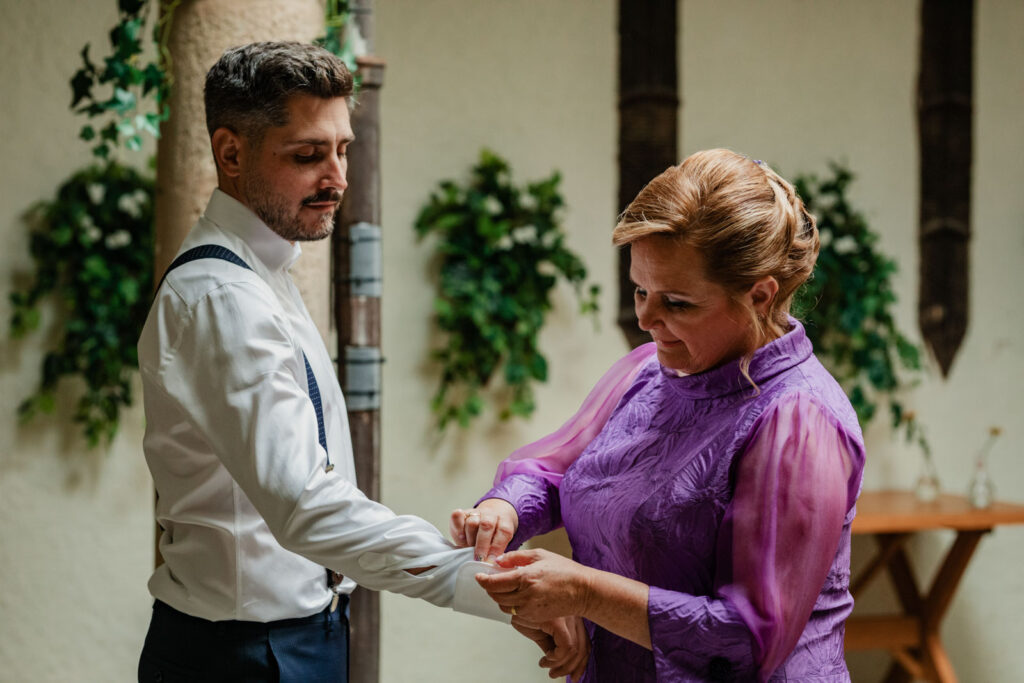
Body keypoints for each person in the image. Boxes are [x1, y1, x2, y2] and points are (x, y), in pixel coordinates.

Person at [137, 41, 582, 682]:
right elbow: (307, 506)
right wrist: (495, 583)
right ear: (231, 153)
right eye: (308, 155)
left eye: (343, 149)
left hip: (288, 639)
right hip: (245, 656)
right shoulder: (224, 297)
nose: (338, 178)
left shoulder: (262, 271)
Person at [453, 148, 866, 682]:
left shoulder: (798, 421)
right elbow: (555, 473)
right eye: (640, 290)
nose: (646, 319)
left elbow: (748, 638)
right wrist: (505, 510)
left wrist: (582, 592)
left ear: (760, 296)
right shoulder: (648, 370)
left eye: (676, 302)